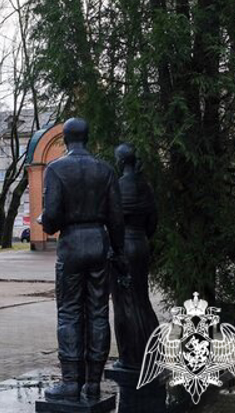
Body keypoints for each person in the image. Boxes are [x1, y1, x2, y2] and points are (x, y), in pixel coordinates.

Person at [40, 118, 127, 401]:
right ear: (87, 138)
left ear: (65, 139)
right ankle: (92, 383)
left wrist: (46, 220)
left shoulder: (56, 169)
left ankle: (70, 382)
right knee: (99, 313)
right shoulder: (105, 169)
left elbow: (51, 219)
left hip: (72, 245)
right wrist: (119, 252)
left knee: (69, 312)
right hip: (99, 242)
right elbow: (116, 218)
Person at [111, 143, 159, 371]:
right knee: (142, 298)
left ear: (120, 162)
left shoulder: (118, 186)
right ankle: (151, 352)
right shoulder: (145, 186)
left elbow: (113, 222)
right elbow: (153, 221)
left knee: (124, 304)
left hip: (124, 249)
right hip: (142, 244)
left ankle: (130, 357)